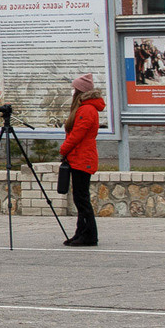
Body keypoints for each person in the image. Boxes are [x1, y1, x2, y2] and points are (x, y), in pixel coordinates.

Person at [61, 74, 104, 246]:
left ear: (80, 91)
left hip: (82, 158)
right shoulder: (85, 108)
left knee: (82, 199)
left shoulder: (86, 110)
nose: (72, 91)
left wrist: (63, 149)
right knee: (80, 198)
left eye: (74, 88)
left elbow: (77, 135)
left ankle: (90, 235)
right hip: (79, 158)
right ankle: (81, 233)